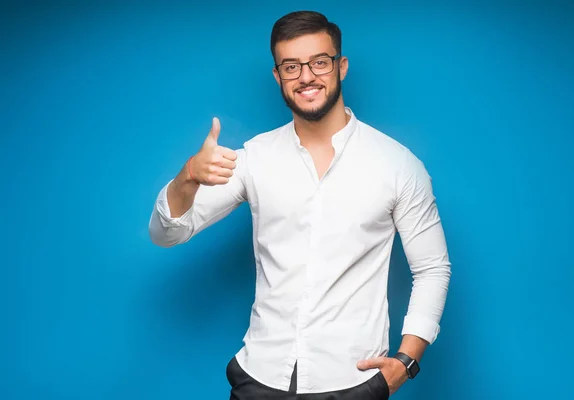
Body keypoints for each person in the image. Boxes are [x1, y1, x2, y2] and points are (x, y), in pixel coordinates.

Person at [149, 10, 451, 400]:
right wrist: (188, 174)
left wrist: (406, 361)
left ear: (340, 66)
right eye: (291, 66)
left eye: (319, 62)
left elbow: (432, 268)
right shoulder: (254, 158)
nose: (306, 76)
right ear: (278, 76)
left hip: (353, 381)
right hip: (259, 377)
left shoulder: (397, 165)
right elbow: (166, 234)